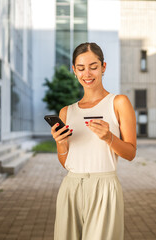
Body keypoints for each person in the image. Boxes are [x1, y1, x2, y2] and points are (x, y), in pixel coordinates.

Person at [50, 42, 137, 240]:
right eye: (81, 68)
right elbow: (66, 163)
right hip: (71, 188)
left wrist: (109, 138)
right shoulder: (67, 112)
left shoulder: (118, 103)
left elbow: (130, 153)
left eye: (93, 67)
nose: (87, 74)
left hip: (105, 188)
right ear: (74, 70)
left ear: (103, 67)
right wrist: (61, 143)